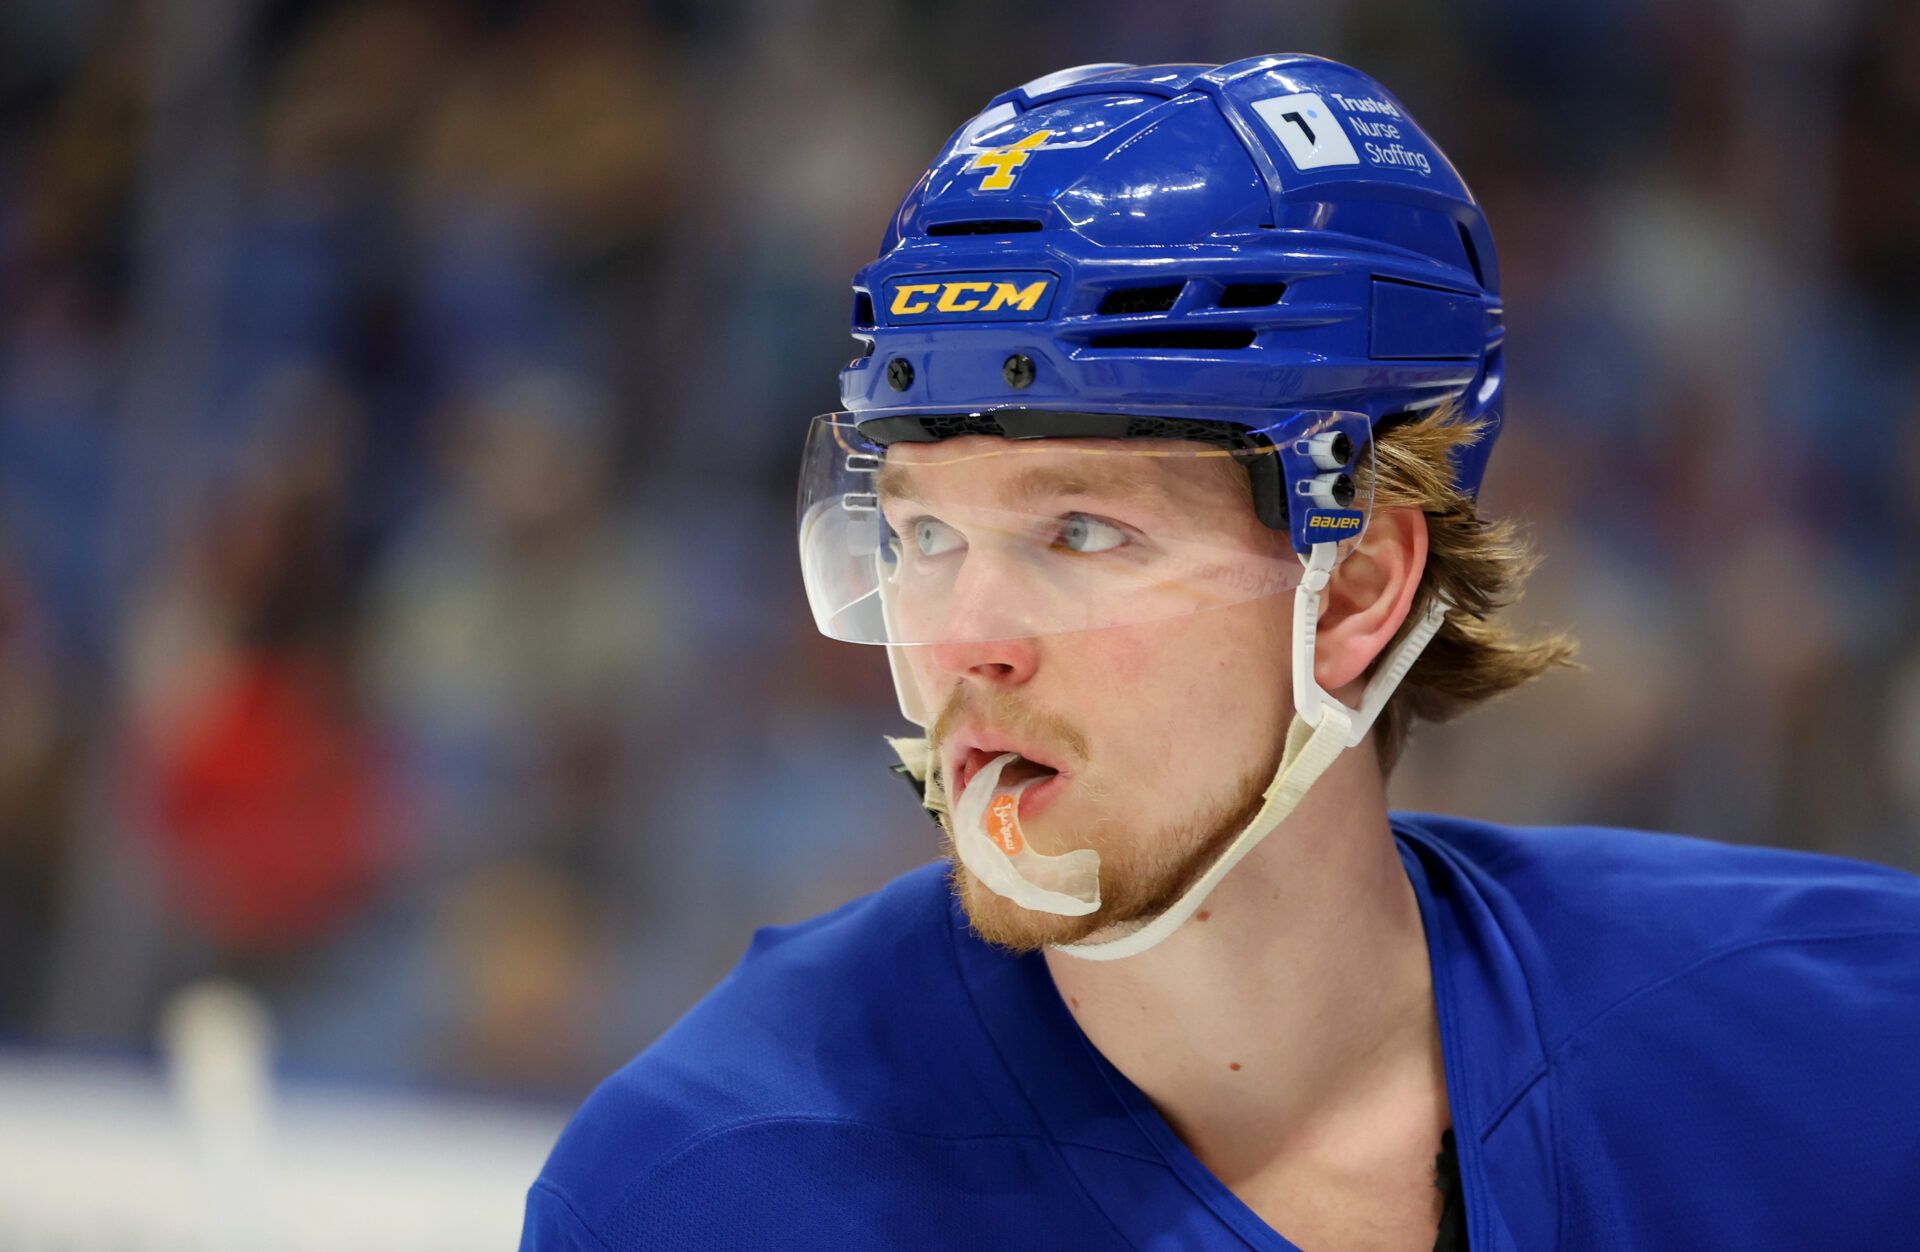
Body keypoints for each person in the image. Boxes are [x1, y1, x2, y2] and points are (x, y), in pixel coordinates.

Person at [521, 56, 1920, 1251]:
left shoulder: (1846, 1045)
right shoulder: (703, 1197)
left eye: (1080, 533)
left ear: (1359, 584)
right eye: (921, 535)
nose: (957, 642)